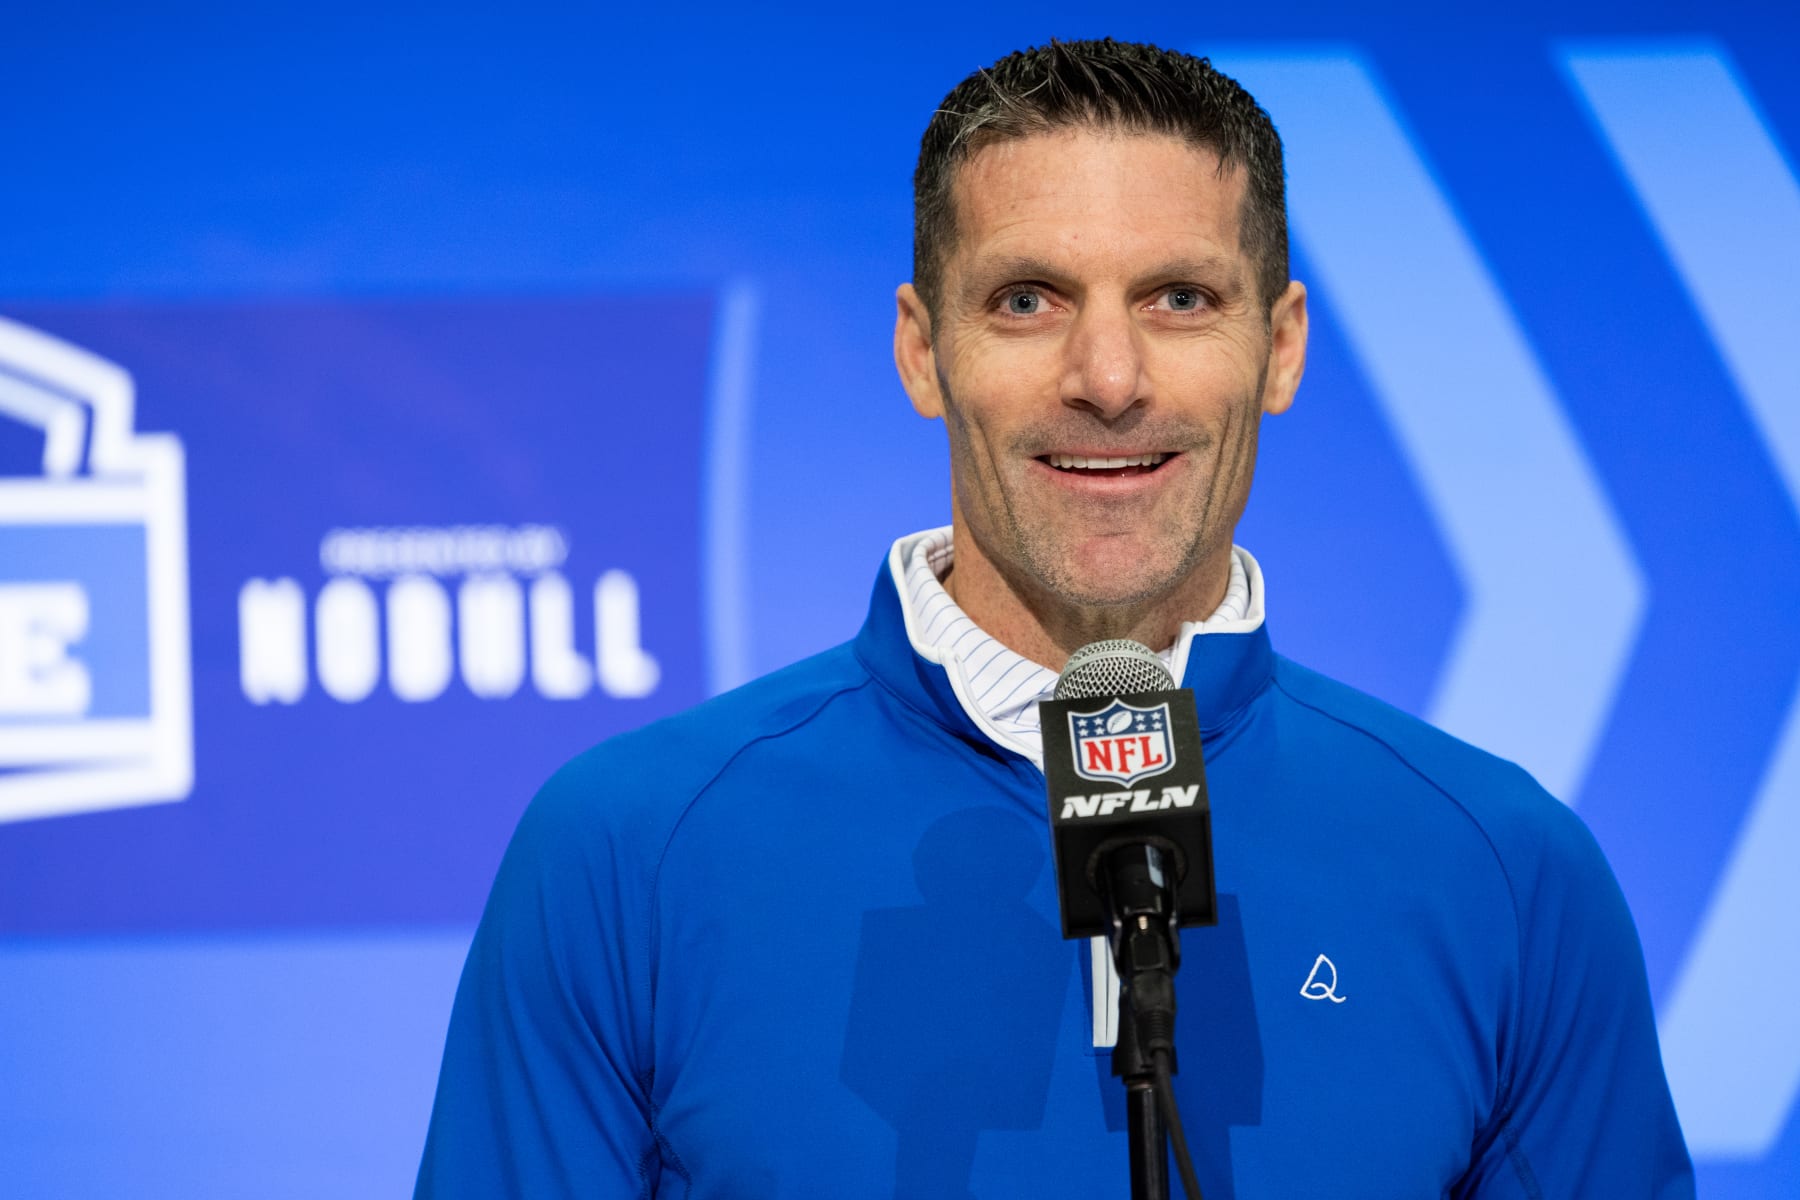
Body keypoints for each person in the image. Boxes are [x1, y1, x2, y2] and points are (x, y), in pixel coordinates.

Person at [415, 39, 1693, 1198]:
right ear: (924, 351)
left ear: (1283, 344)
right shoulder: (626, 854)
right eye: (1027, 298)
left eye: (1179, 298)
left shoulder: (1507, 872)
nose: (1109, 379)